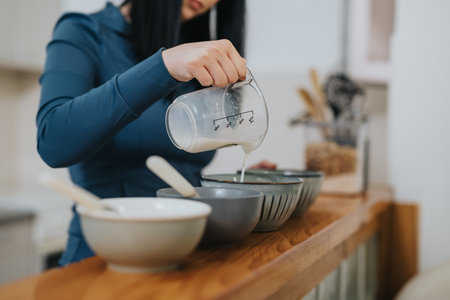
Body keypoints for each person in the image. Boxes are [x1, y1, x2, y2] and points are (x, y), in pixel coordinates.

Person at [37, 0, 250, 266]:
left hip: (185, 264)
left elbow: (179, 176)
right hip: (103, 263)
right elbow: (53, 141)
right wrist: (163, 66)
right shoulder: (84, 32)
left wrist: (229, 185)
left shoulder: (198, 55)